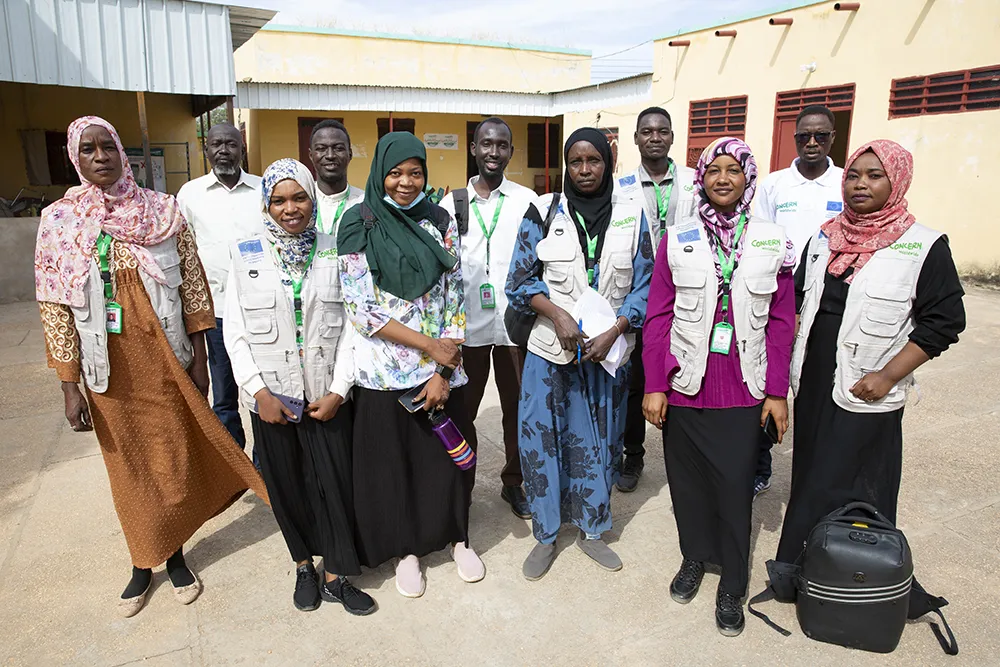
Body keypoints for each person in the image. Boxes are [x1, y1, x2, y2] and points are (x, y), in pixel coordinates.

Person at [34, 116, 268, 618]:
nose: (101, 157)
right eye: (89, 150)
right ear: (76, 158)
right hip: (107, 367)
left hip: (166, 356)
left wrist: (202, 357)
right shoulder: (59, 220)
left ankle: (177, 552)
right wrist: (68, 383)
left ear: (123, 153)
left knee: (173, 456)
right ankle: (143, 561)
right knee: (129, 465)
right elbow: (54, 305)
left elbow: (193, 284)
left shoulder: (161, 210)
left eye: (108, 148)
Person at [775, 140, 965, 569]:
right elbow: (798, 301)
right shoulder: (826, 236)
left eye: (874, 176)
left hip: (868, 386)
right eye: (854, 175)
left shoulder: (923, 246)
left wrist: (888, 376)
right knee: (810, 473)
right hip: (815, 377)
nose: (860, 184)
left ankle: (852, 571)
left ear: (896, 181)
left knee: (857, 479)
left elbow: (944, 322)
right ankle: (801, 566)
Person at [642, 137, 795, 637]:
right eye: (714, 170)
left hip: (743, 385)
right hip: (685, 383)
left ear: (749, 177)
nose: (723, 178)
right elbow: (658, 315)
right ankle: (695, 559)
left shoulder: (774, 239)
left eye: (734, 170)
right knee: (686, 487)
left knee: (734, 489)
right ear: (701, 178)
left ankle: (732, 581)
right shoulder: (678, 234)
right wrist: (655, 383)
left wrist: (776, 391)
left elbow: (781, 321)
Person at [223, 158, 376, 616]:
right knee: (286, 484)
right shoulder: (245, 251)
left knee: (334, 483)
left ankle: (336, 575)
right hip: (273, 399)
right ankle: (303, 565)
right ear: (266, 205)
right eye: (279, 200)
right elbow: (234, 331)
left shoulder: (337, 249)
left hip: (325, 394)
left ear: (313, 197)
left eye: (299, 197)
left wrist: (339, 390)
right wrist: (258, 393)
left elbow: (355, 326)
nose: (291, 208)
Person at [337, 132, 485, 598]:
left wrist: (442, 369)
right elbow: (362, 309)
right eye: (396, 173)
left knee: (447, 460)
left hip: (442, 368)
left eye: (415, 172)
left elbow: (454, 294)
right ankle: (408, 552)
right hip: (385, 373)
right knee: (397, 466)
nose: (405, 182)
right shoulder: (357, 222)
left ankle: (458, 539)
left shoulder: (438, 218)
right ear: (381, 172)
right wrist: (429, 347)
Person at [506, 128, 653, 580]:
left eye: (594, 161)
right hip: (551, 352)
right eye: (576, 162)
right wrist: (557, 314)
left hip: (605, 356)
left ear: (608, 163)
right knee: (542, 442)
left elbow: (646, 284)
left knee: (600, 443)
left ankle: (592, 530)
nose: (585, 170)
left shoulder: (633, 214)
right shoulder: (545, 211)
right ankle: (547, 535)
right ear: (566, 165)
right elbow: (518, 280)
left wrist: (617, 329)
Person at [439, 117, 537, 519]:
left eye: (501, 145)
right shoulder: (452, 203)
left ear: (510, 152)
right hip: (468, 328)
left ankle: (513, 482)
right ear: (474, 149)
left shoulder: (527, 201)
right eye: (485, 144)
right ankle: (462, 481)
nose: (493, 152)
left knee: (518, 408)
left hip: (516, 326)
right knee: (464, 409)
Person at [751, 104, 844, 496]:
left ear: (832, 139)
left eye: (820, 136)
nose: (811, 143)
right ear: (794, 138)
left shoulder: (845, 182)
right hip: (775, 296)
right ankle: (759, 466)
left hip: (825, 300)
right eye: (804, 135)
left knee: (814, 389)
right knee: (764, 381)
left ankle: (812, 473)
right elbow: (758, 234)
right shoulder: (774, 185)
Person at [613, 106, 696, 493]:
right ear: (636, 138)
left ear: (673, 136)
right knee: (635, 379)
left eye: (662, 130)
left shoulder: (695, 183)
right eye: (646, 131)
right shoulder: (621, 186)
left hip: (690, 291)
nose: (655, 137)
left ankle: (686, 455)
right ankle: (634, 454)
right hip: (641, 291)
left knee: (685, 372)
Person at [177, 123, 262, 461]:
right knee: (224, 393)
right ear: (206, 150)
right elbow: (183, 252)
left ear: (242, 148)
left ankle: (265, 463)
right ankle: (234, 466)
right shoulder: (190, 194)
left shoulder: (262, 188)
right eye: (216, 144)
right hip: (215, 313)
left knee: (260, 388)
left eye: (231, 143)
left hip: (258, 309)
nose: (224, 150)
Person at [307, 119, 364, 237]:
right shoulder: (301, 202)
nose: (330, 155)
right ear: (311, 155)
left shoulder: (364, 203)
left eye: (338, 148)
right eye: (321, 148)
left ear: (350, 154)